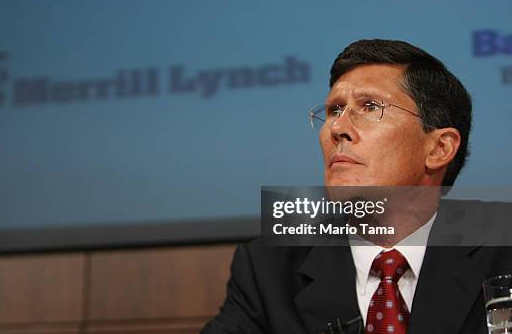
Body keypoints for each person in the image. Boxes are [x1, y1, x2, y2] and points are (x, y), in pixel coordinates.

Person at [201, 39, 512, 334]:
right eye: (335, 110)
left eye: (370, 107)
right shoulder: (269, 268)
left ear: (439, 149)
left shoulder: (503, 246)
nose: (337, 128)